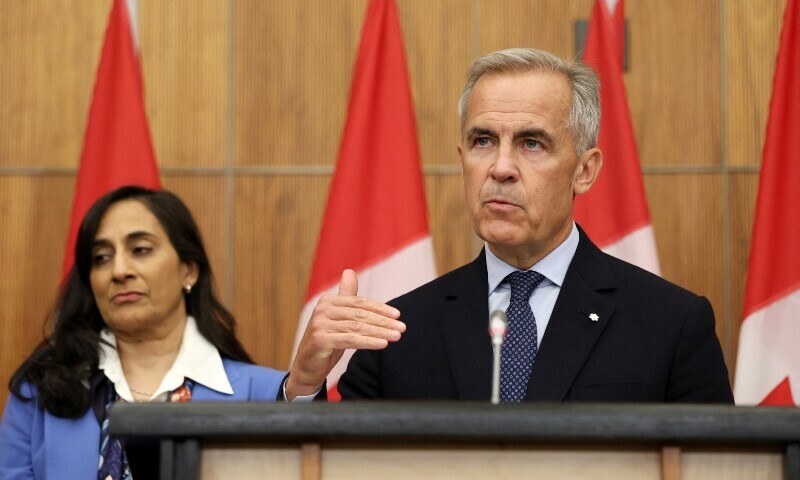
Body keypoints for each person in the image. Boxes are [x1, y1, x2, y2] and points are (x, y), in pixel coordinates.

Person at [286, 47, 734, 403]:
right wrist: (305, 386)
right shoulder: (401, 331)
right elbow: (345, 465)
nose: (500, 168)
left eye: (531, 143)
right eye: (483, 141)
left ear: (585, 170)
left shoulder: (670, 324)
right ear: (463, 161)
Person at [0, 186, 286, 479]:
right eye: (101, 257)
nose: (119, 270)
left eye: (140, 250)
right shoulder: (39, 391)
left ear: (188, 270)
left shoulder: (266, 394)